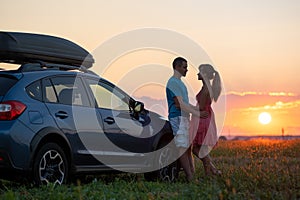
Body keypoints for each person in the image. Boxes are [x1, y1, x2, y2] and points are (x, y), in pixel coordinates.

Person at [166, 57, 208, 182]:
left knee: (188, 147)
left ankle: (192, 175)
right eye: (184, 67)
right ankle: (190, 177)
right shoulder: (173, 82)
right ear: (177, 67)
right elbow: (179, 104)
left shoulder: (180, 83)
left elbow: (185, 103)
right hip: (177, 118)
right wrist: (197, 113)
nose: (187, 70)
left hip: (184, 117)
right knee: (182, 148)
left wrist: (197, 111)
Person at [190, 64, 222, 176]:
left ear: (204, 74)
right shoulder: (207, 87)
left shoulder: (206, 89)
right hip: (205, 117)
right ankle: (212, 171)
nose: (197, 74)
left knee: (198, 149)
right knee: (199, 148)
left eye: (200, 72)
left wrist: (185, 107)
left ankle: (210, 171)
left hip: (202, 118)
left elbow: (201, 107)